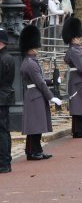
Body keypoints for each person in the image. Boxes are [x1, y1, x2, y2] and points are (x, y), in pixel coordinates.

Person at [20, 25, 59, 160]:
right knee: (34, 126)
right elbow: (40, 82)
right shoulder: (30, 63)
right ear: (30, 47)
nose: (37, 49)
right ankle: (32, 151)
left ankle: (36, 150)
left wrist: (53, 81)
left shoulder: (31, 61)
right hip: (34, 96)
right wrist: (51, 96)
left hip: (36, 95)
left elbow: (41, 80)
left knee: (37, 126)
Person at [0, 28, 14, 172]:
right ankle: (5, 161)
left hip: (1, 97)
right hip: (5, 97)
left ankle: (4, 163)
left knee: (2, 132)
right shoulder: (8, 57)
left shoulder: (3, 58)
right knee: (4, 131)